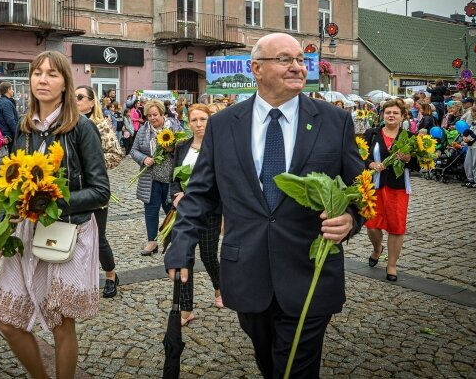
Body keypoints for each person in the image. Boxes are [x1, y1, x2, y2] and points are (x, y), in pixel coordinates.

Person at [164, 33, 363, 378]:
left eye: (300, 60)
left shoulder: (334, 120)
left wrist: (351, 217)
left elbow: (361, 187)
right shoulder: (224, 124)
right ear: (256, 68)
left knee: (296, 367)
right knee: (269, 360)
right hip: (247, 271)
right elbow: (201, 193)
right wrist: (181, 243)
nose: (298, 67)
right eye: (285, 59)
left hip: (309, 270)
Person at [0, 51, 109, 379]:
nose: (43, 79)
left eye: (52, 74)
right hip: (25, 233)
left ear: (65, 83)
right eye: (37, 73)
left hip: (65, 234)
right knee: (9, 324)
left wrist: (48, 202)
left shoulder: (80, 129)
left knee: (59, 323)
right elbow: (11, 192)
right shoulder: (24, 130)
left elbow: (100, 191)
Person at [168, 103, 222, 326]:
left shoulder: (218, 148)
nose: (199, 125)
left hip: (209, 212)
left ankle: (219, 287)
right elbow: (173, 179)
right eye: (194, 120)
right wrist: (177, 194)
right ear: (188, 123)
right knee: (184, 257)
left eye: (203, 120)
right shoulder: (182, 147)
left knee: (209, 256)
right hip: (185, 213)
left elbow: (223, 183)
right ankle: (186, 308)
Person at [76, 85, 123, 298]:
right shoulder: (69, 124)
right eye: (73, 96)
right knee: (76, 237)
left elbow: (115, 154)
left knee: (98, 237)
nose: (75, 100)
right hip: (74, 191)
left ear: (91, 102)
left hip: (95, 189)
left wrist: (89, 163)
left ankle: (111, 275)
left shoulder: (101, 124)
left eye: (80, 97)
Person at [363, 100, 415, 283]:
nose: (391, 115)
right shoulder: (372, 133)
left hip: (397, 188)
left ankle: (392, 264)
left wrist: (408, 159)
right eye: (387, 112)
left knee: (396, 227)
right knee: (371, 224)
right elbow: (360, 154)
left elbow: (418, 164)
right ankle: (377, 249)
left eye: (395, 113)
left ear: (402, 116)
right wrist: (370, 163)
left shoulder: (409, 136)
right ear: (383, 115)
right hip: (374, 186)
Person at [130, 98, 183, 255]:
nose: (152, 118)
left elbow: (184, 147)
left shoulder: (174, 127)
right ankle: (152, 242)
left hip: (170, 178)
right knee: (151, 210)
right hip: (151, 178)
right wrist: (143, 158)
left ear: (162, 113)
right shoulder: (144, 130)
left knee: (171, 210)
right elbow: (133, 150)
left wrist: (172, 149)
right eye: (149, 116)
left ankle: (172, 240)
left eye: (155, 115)